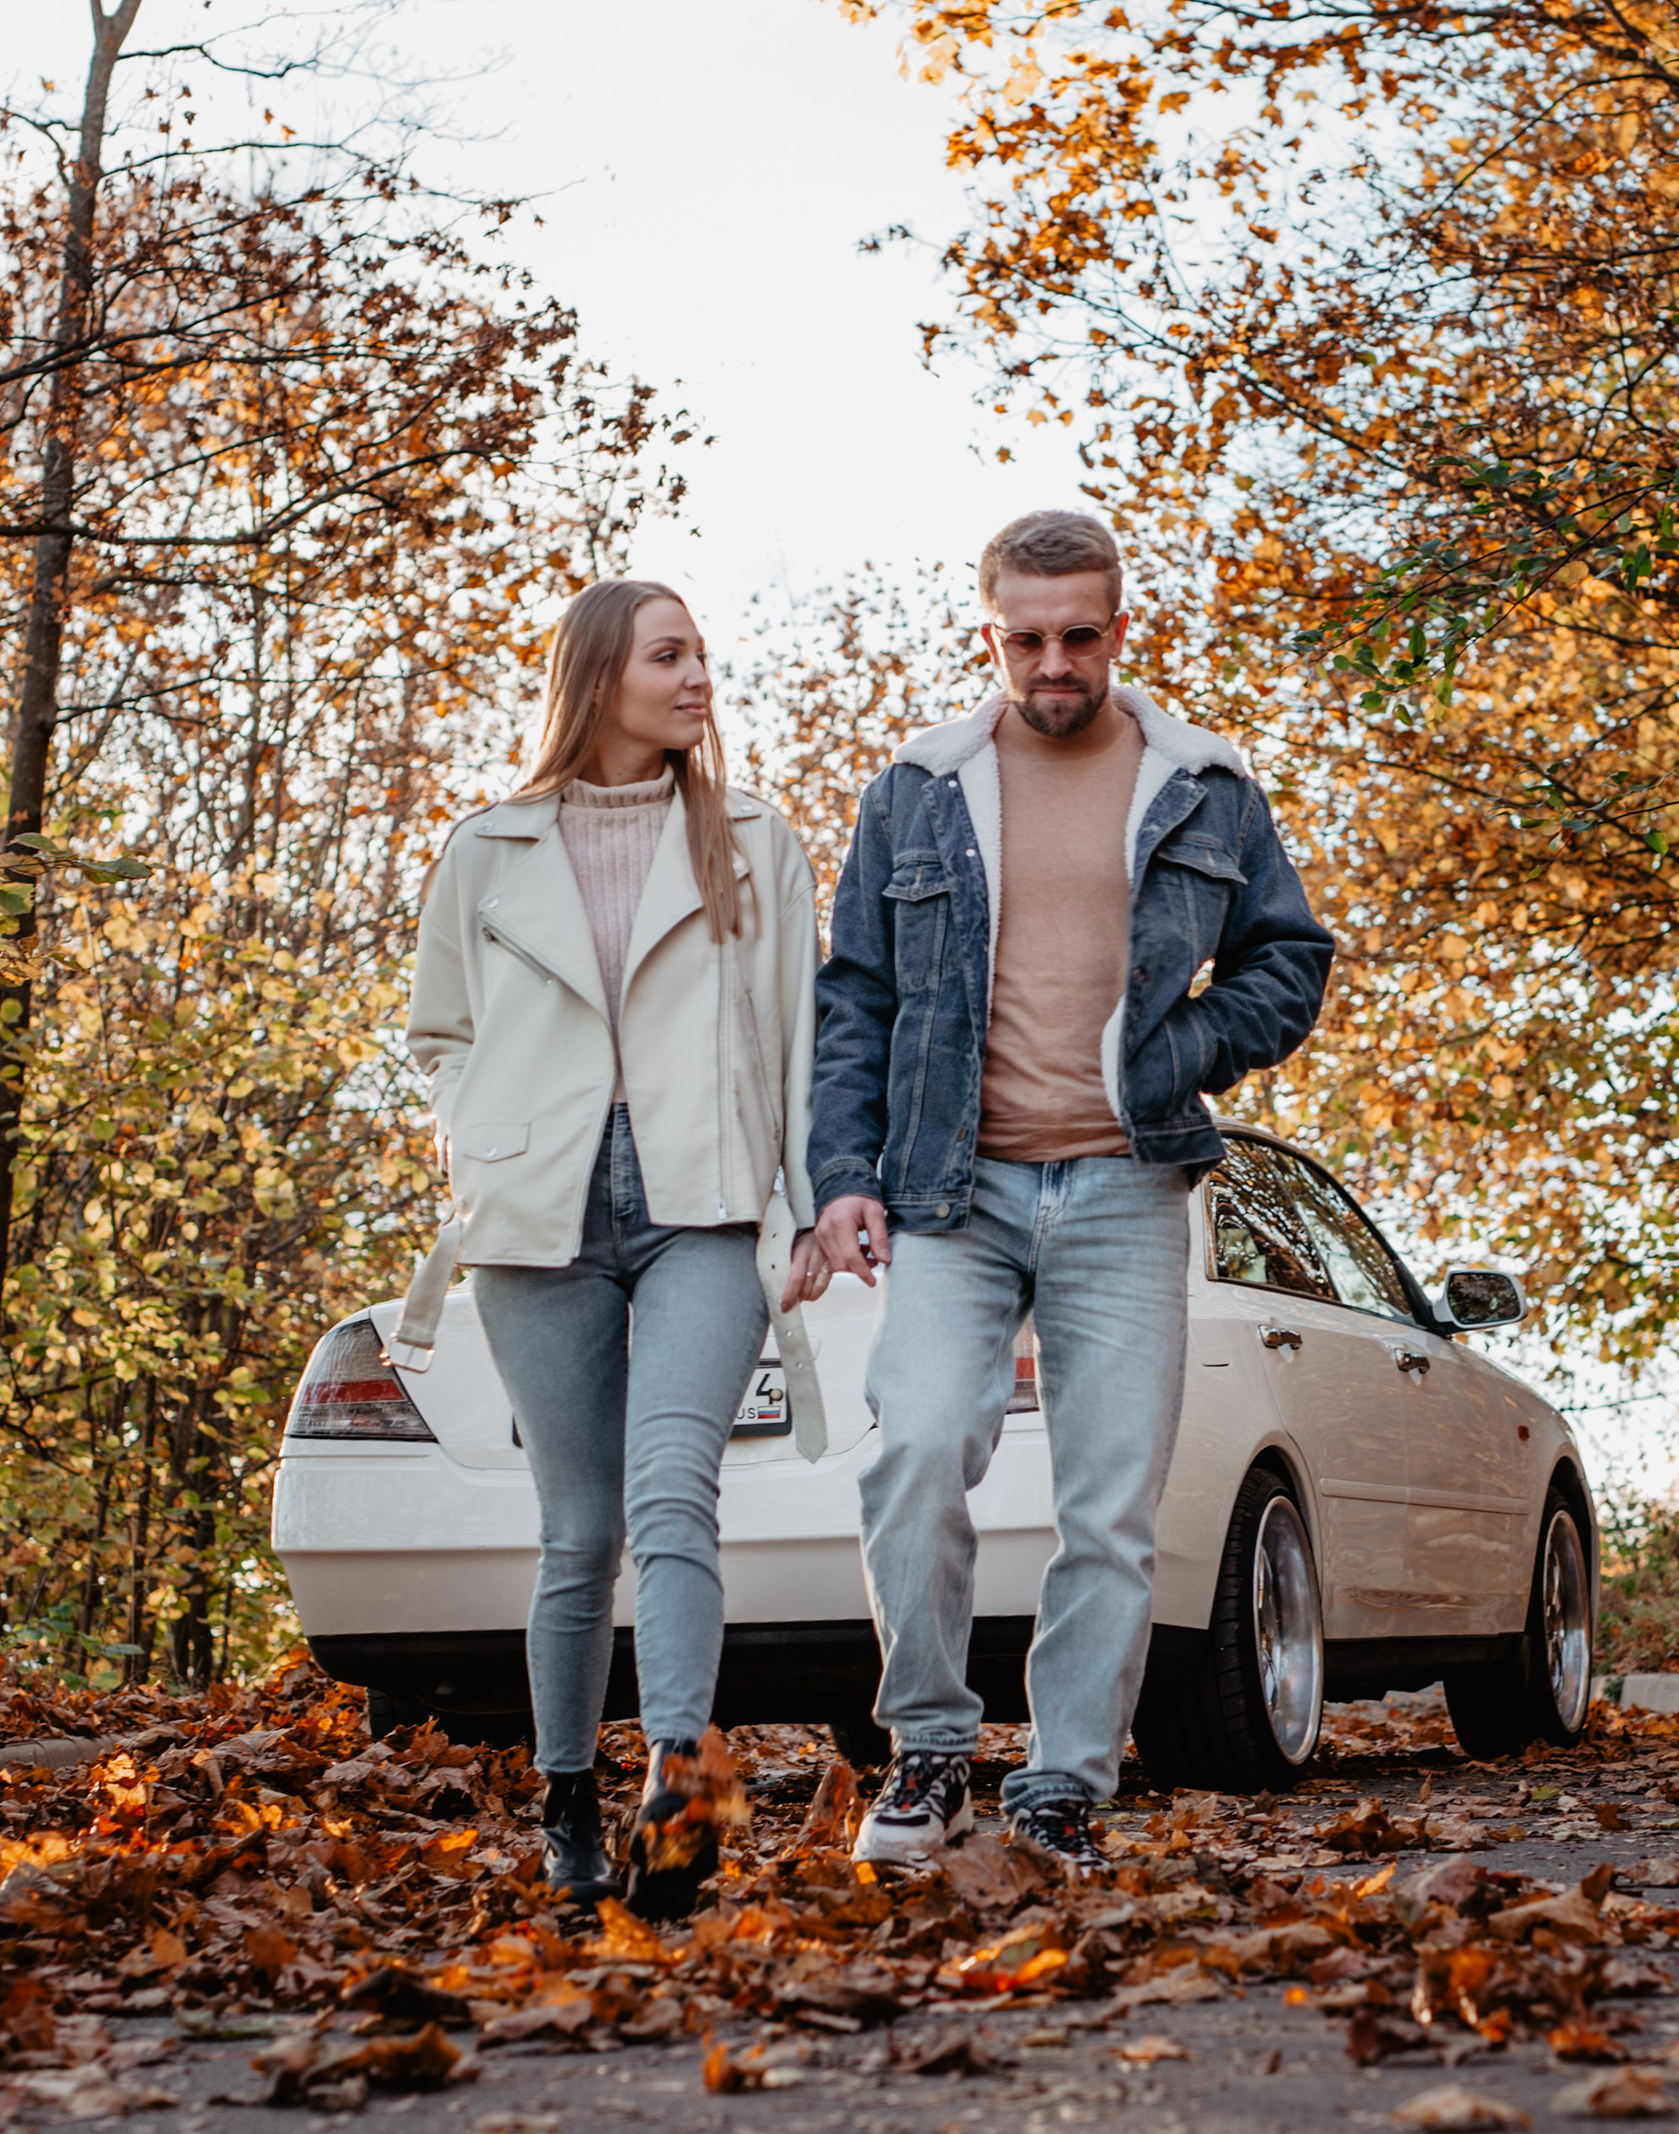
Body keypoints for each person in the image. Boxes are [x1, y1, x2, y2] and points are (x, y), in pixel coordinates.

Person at [808, 507, 1333, 1873]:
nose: (1054, 662)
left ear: (1118, 626)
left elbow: (1290, 958)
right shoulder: (915, 791)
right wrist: (844, 1176)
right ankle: (929, 1749)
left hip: (1124, 1182)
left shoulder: (1204, 787)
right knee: (914, 1449)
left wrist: (1191, 1047)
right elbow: (853, 998)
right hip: (951, 1191)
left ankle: (1063, 1782)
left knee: (1110, 1502)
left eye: (1079, 635)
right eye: (1027, 637)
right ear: (990, 633)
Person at [396, 581, 829, 1919]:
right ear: (600, 678)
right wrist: (493, 1136)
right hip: (542, 1213)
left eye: (702, 650)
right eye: (669, 653)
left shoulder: (757, 841)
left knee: (672, 1492)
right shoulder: (488, 846)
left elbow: (802, 1040)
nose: (700, 672)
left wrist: (805, 1208)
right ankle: (569, 1793)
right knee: (577, 1532)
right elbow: (439, 1033)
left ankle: (684, 1794)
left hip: (701, 1204)